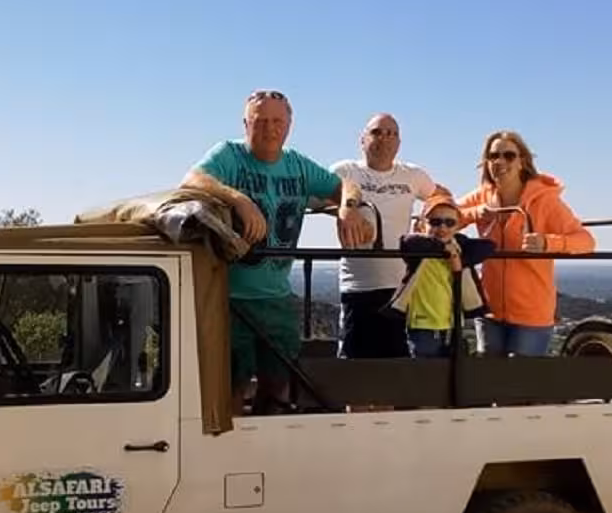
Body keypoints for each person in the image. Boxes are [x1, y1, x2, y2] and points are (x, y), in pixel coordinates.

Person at [183, 90, 374, 411]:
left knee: (279, 386)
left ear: (289, 125)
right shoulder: (230, 156)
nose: (270, 128)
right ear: (246, 124)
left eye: (277, 121)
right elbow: (192, 180)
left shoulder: (297, 165)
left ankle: (264, 454)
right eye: (261, 121)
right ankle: (226, 456)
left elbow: (346, 185)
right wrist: (239, 199)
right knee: (229, 387)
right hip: (229, 297)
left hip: (276, 297)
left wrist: (348, 207)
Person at [456, 131, 594, 356]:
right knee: (488, 384)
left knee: (521, 387)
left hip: (531, 315)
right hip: (489, 312)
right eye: (493, 156)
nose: (500, 161)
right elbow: (442, 217)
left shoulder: (545, 201)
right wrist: (475, 213)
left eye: (509, 155)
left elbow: (586, 241)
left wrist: (547, 243)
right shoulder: (482, 196)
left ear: (522, 161)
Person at [329, 113, 452, 358]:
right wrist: (344, 212)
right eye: (376, 132)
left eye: (391, 133)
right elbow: (314, 199)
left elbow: (443, 197)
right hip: (358, 287)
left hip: (400, 289)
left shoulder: (412, 175)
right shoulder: (345, 171)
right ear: (362, 140)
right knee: (354, 365)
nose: (384, 138)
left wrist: (428, 224)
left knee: (397, 367)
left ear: (399, 143)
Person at [388, 196, 496, 358]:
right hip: (423, 325)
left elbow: (488, 246)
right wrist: (446, 250)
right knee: (425, 374)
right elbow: (408, 242)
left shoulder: (459, 248)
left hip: (452, 325)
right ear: (423, 224)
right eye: (435, 222)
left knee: (450, 376)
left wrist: (458, 258)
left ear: (458, 226)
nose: (443, 227)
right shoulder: (419, 250)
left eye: (450, 223)